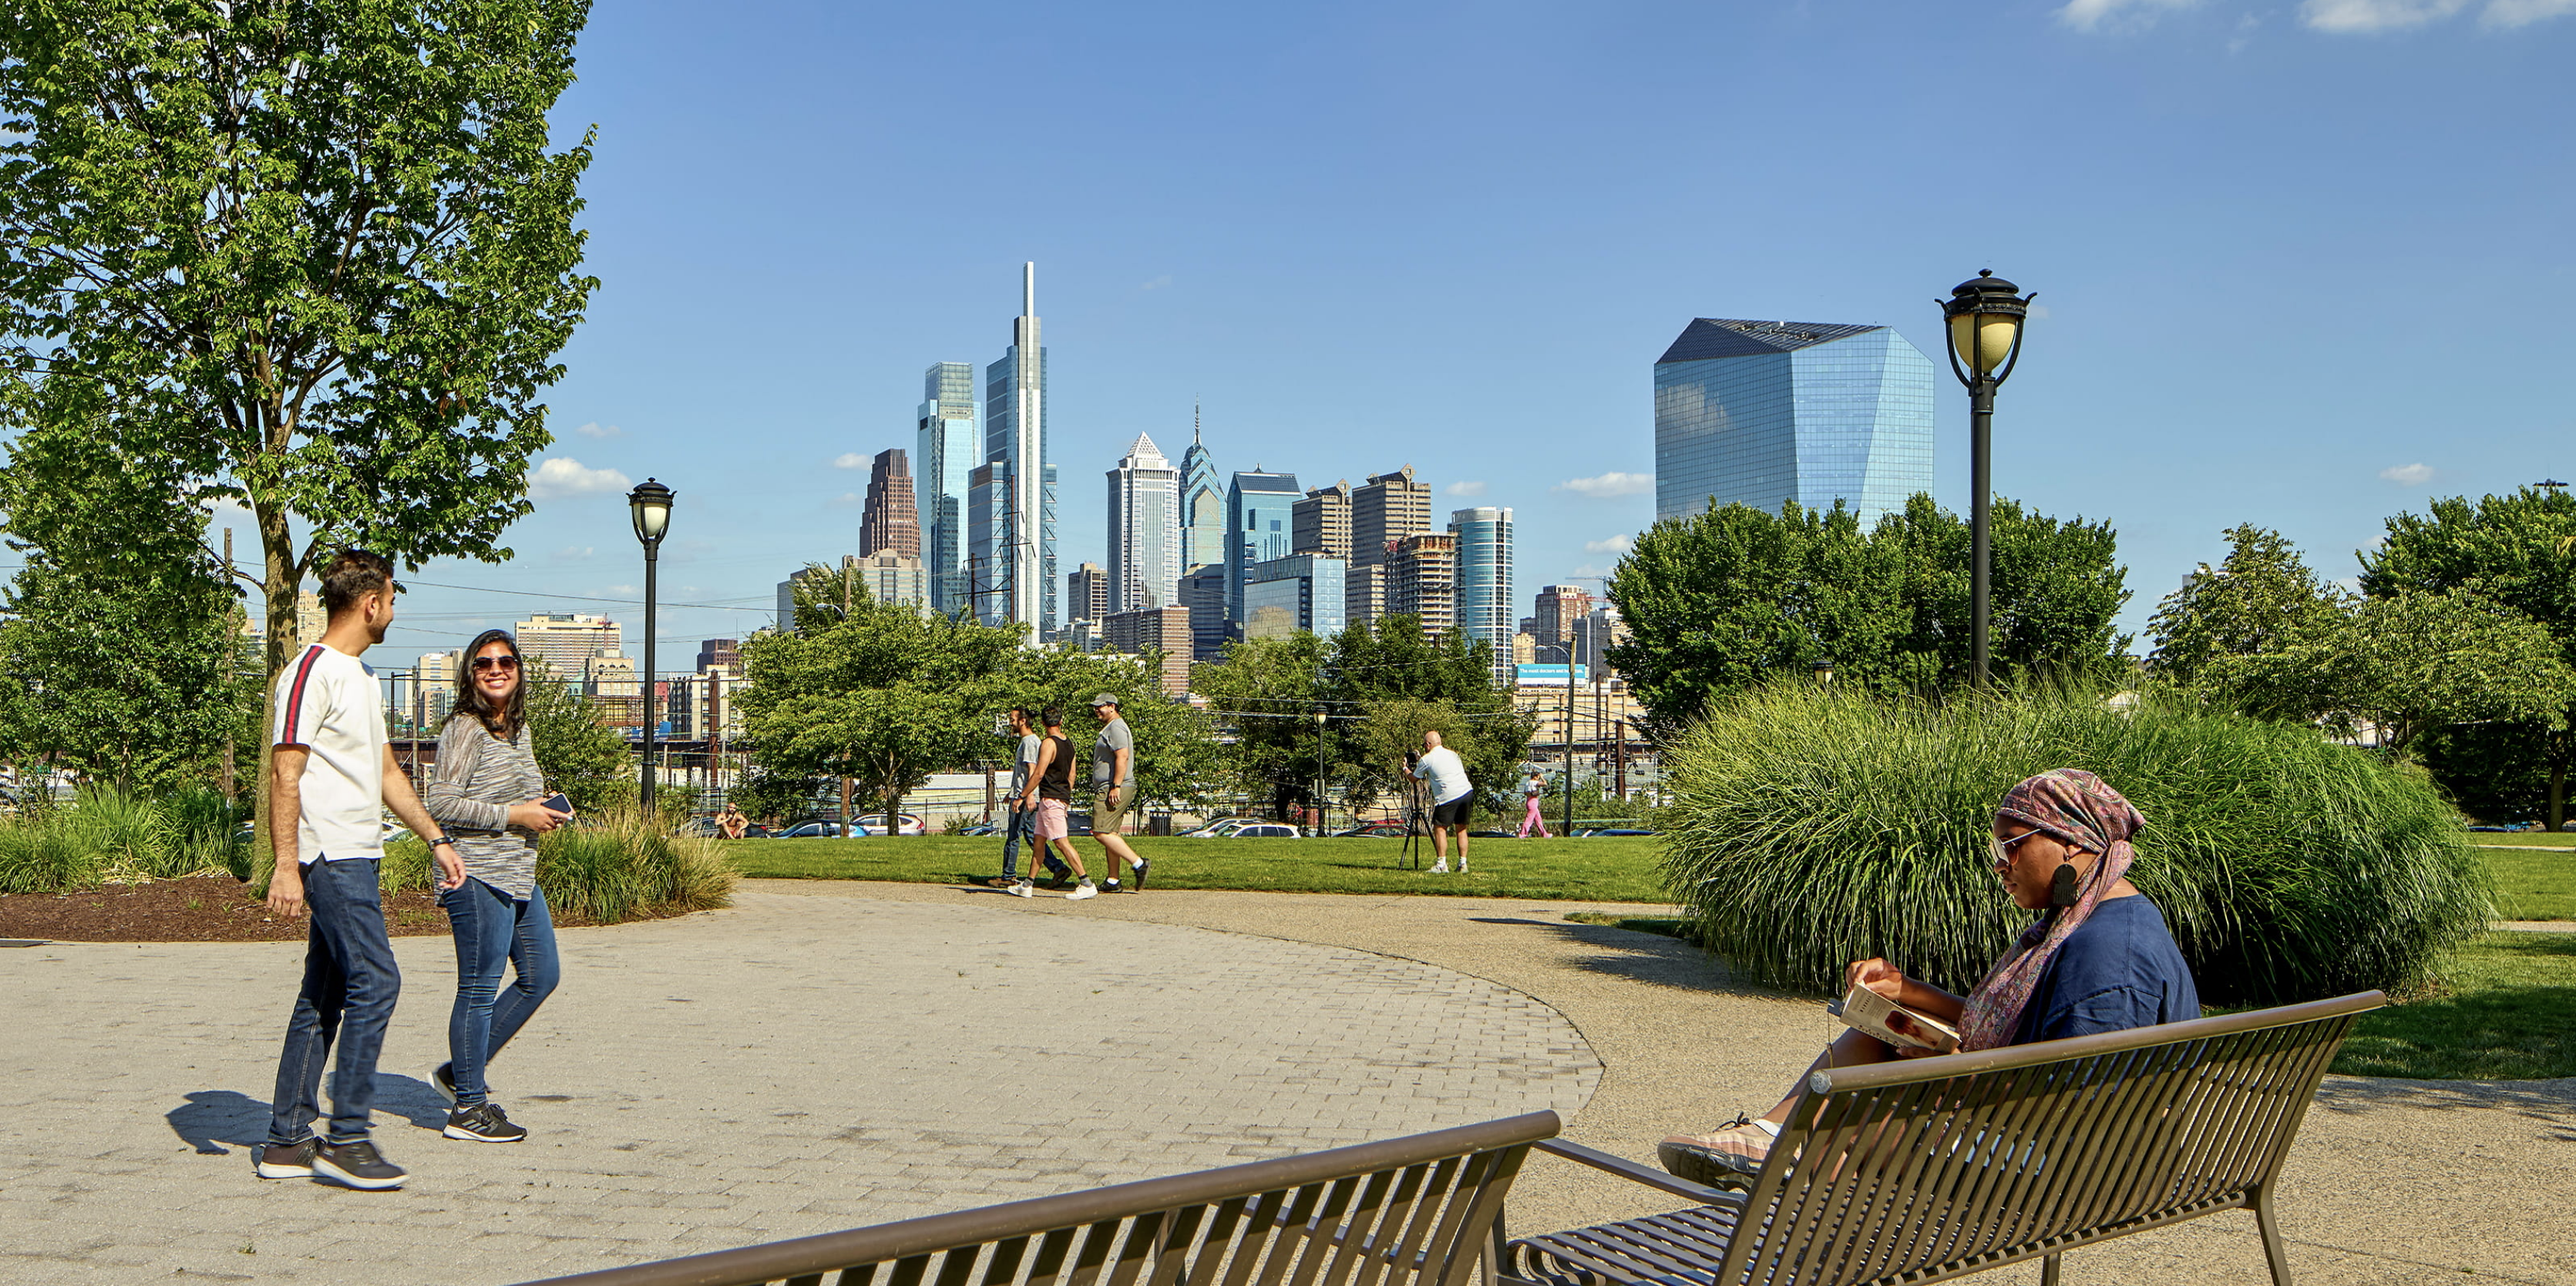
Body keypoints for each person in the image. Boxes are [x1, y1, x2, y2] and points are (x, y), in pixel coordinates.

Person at [1656, 768, 2201, 1187]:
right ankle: (1772, 1138)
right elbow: (2029, 1036)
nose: (2000, 865)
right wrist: (1905, 992)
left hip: (2078, 1171)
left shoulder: (2107, 955)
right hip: (2067, 1143)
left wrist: (1952, 1068)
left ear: (2071, 844)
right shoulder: (2092, 920)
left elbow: (2080, 1104)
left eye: (2011, 846)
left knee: (1857, 1127)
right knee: (1874, 1037)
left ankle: (1781, 1159)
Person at [256, 550, 465, 1191]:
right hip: (329, 856)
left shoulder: (360, 678)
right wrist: (286, 867)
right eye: (394, 598)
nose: (395, 610)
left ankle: (288, 1141)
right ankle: (347, 1137)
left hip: (357, 853)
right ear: (371, 602)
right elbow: (283, 771)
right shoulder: (310, 672)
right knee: (378, 981)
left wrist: (435, 837)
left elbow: (384, 775)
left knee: (324, 996)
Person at [422, 628, 570, 1144]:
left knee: (541, 975)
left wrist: (541, 807)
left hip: (518, 871)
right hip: (476, 871)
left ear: (519, 669)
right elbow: (439, 802)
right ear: (470, 673)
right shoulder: (465, 728)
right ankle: (468, 1108)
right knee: (479, 988)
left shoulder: (518, 728)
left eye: (505, 660)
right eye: (484, 662)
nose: (496, 669)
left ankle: (457, 1073)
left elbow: (512, 794)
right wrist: (515, 814)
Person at [1014, 708, 1095, 899]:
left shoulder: (1048, 744)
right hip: (1056, 798)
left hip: (1051, 799)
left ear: (1043, 724)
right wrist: (1066, 795)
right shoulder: (1069, 744)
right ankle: (1027, 885)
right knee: (1039, 842)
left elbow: (1039, 774)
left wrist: (1022, 796)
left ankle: (1086, 883)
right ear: (1061, 721)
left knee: (1061, 842)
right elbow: (1072, 774)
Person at [1085, 694, 1150, 892]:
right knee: (1111, 833)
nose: (1097, 710)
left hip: (1113, 787)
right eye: (1095, 707)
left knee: (1100, 831)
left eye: (1100, 707)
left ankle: (1139, 864)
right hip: (1110, 785)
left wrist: (1116, 786)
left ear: (1112, 707)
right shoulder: (1111, 727)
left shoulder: (1117, 727)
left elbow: (1122, 757)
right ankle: (1113, 880)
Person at [1409, 730, 1473, 874]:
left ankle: (1441, 864)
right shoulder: (1453, 754)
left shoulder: (1427, 759)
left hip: (1447, 796)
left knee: (1440, 828)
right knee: (1461, 828)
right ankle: (1463, 863)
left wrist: (1405, 769)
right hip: (1466, 791)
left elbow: (1414, 778)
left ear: (1427, 744)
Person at [1518, 770, 1552, 839]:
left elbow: (1526, 793)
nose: (1539, 778)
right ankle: (1523, 834)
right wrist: (1542, 777)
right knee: (1529, 819)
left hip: (1529, 800)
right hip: (1533, 802)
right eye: (1538, 777)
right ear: (1535, 777)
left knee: (1538, 820)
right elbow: (1545, 784)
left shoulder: (1528, 783)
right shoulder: (1534, 782)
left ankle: (1544, 834)